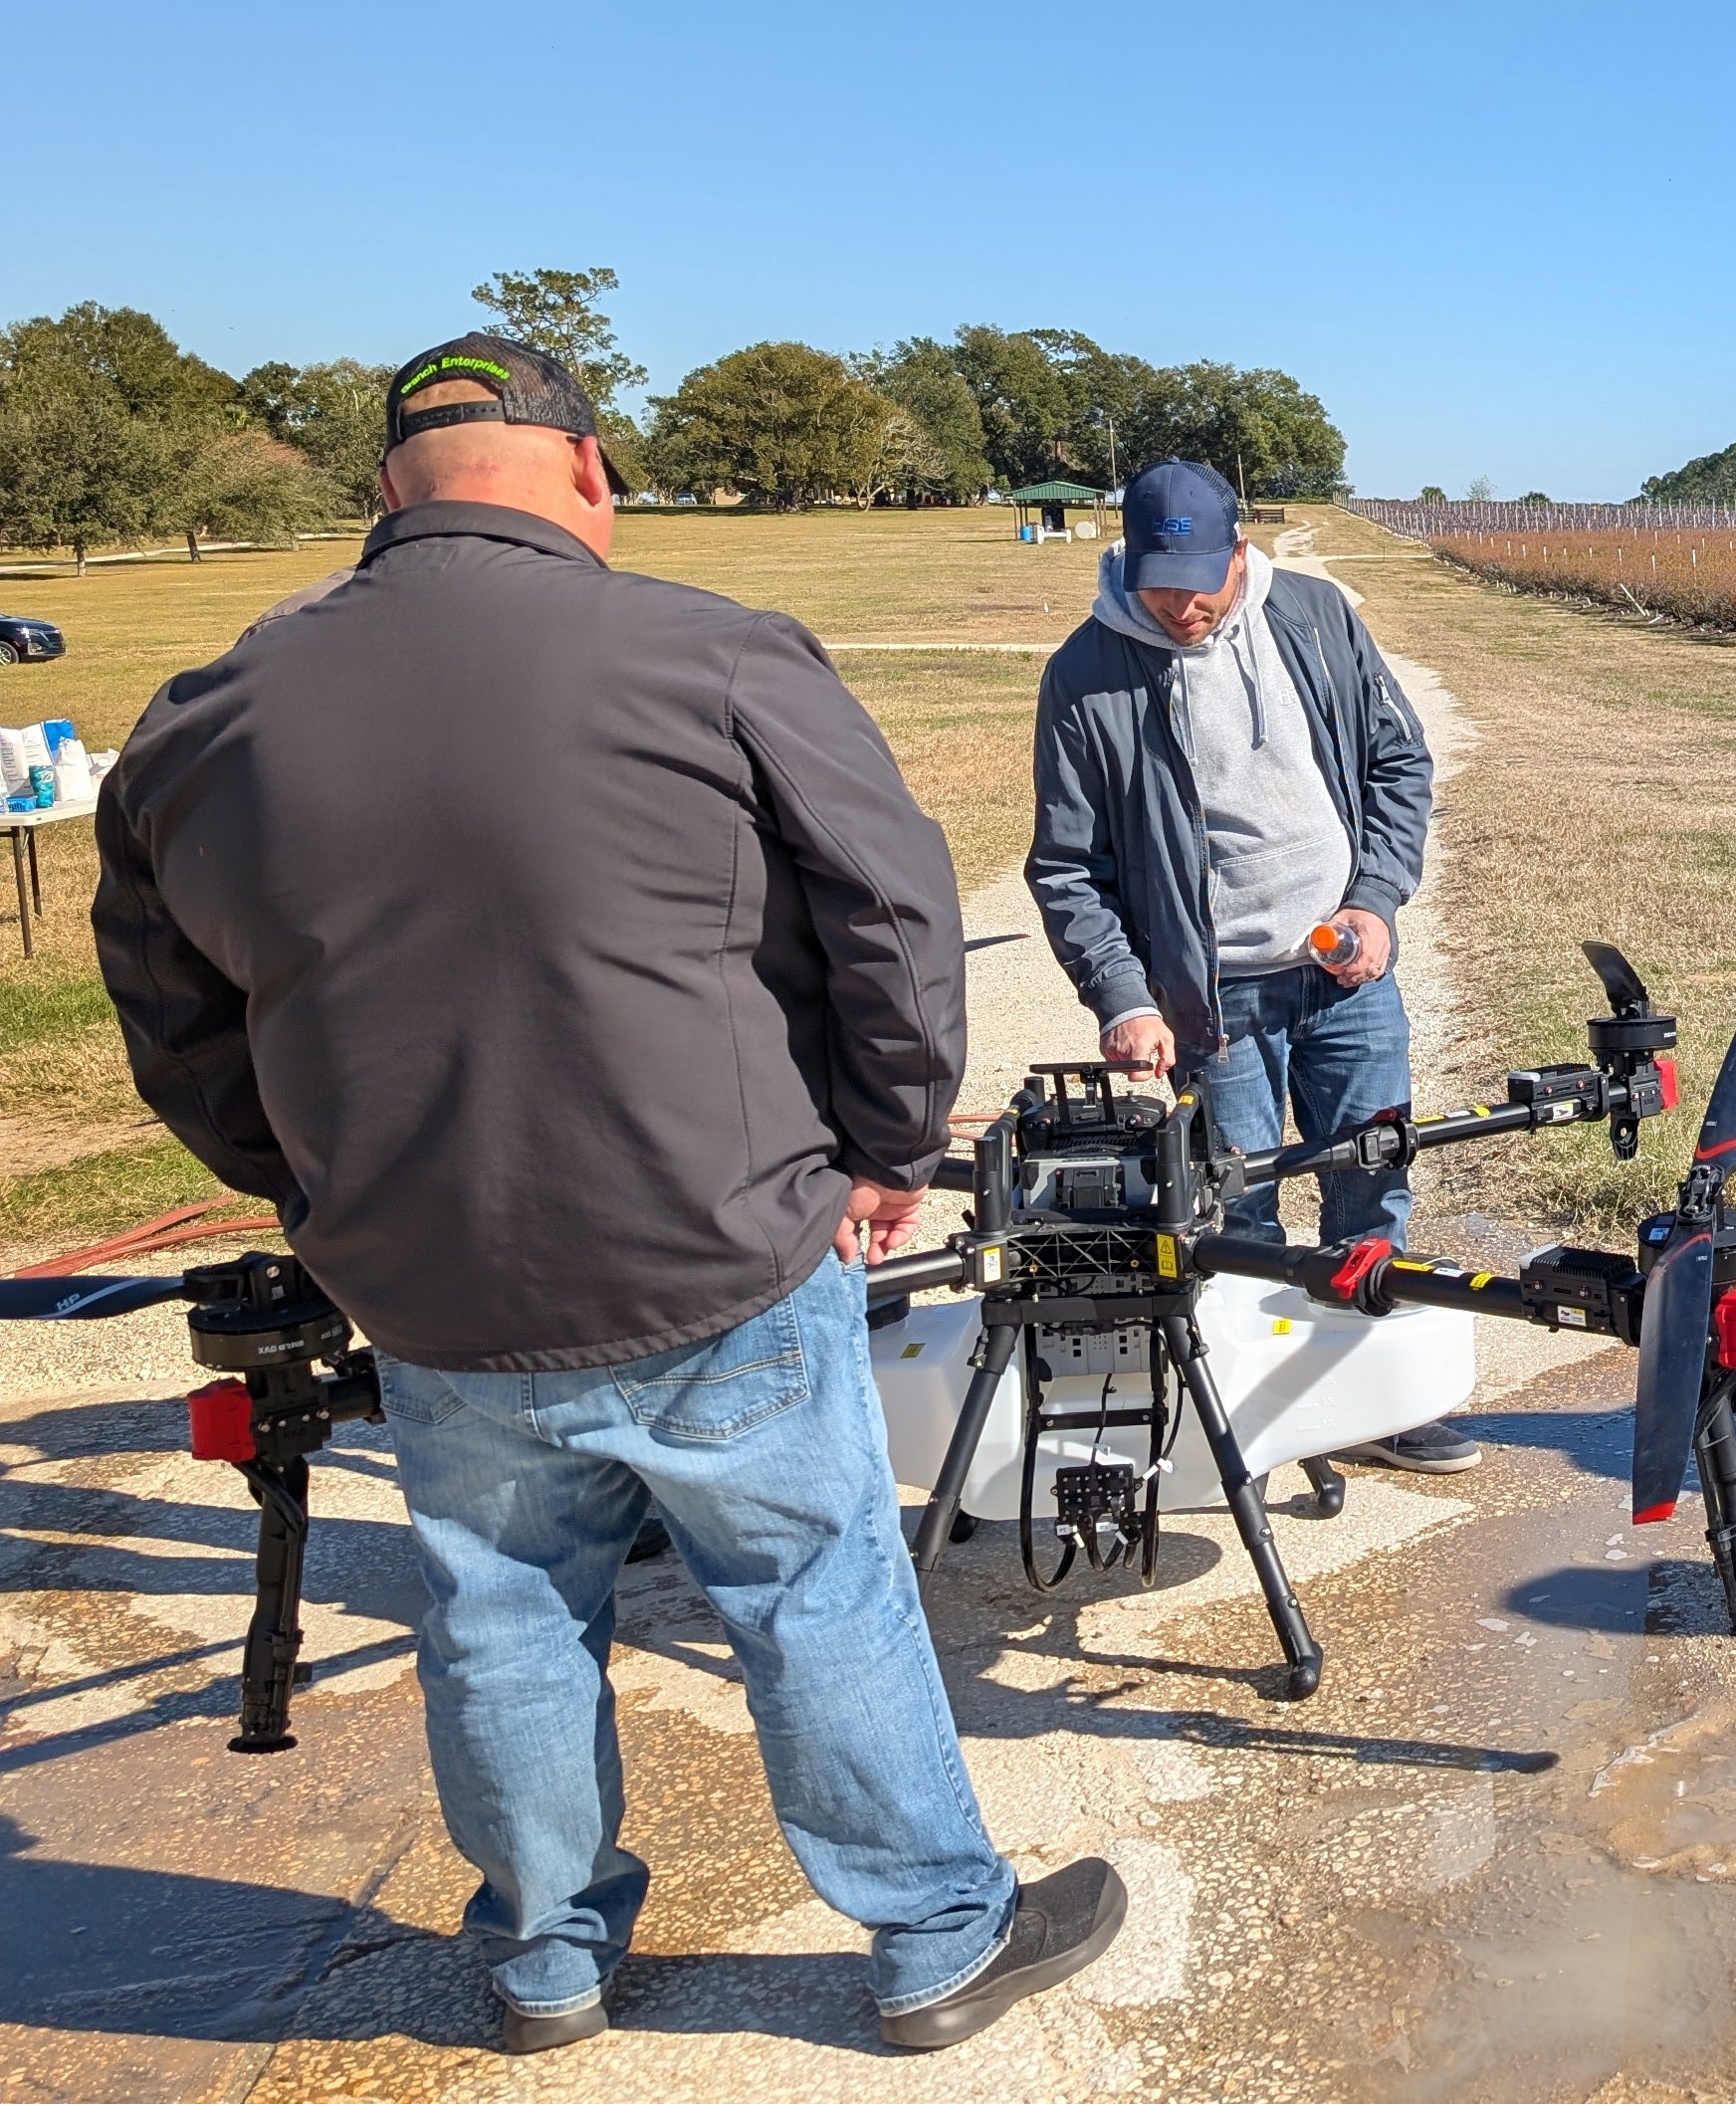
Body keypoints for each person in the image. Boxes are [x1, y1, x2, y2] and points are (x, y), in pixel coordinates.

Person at [92, 335, 1122, 2051]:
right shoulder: (711, 654)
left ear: (384, 495)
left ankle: (548, 1957)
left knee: (498, 1611)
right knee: (813, 1590)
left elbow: (176, 1027)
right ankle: (937, 1929)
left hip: (428, 1283)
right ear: (590, 475)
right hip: (718, 1246)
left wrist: (322, 1195)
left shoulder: (201, 720)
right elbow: (892, 918)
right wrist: (887, 1140)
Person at [1028, 461, 1470, 1476]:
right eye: (1157, 582)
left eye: (1198, 579)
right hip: (1209, 1002)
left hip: (1344, 974)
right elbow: (1065, 866)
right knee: (1238, 1213)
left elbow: (1399, 762)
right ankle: (1258, 1423)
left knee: (1373, 1180)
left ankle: (1378, 1398)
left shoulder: (1316, 617)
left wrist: (1376, 898)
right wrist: (1126, 998)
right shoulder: (1086, 674)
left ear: (1240, 552)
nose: (1180, 605)